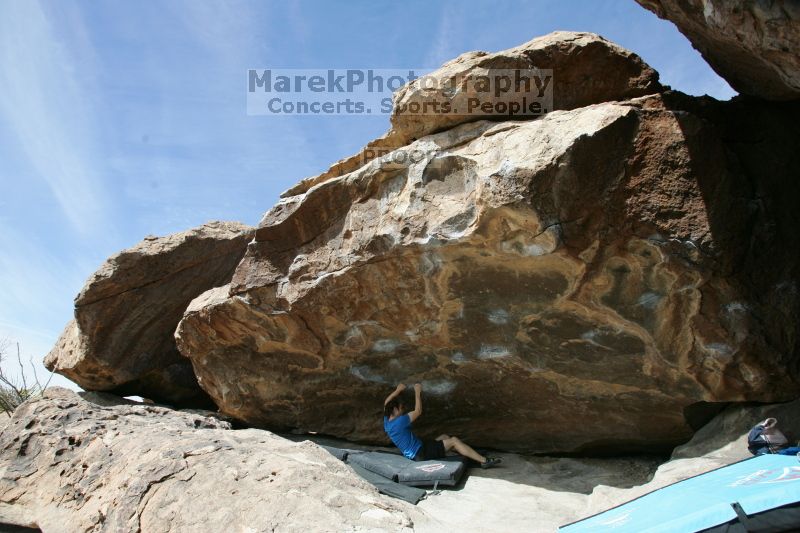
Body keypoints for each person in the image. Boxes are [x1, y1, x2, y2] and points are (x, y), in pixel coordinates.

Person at [383, 382, 501, 468]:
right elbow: (418, 411)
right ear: (394, 409)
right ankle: (484, 461)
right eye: (401, 408)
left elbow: (386, 403)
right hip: (421, 453)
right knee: (454, 440)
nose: (402, 410)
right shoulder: (400, 422)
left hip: (418, 451)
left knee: (444, 437)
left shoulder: (387, 420)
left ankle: (468, 454)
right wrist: (417, 392)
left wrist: (398, 390)